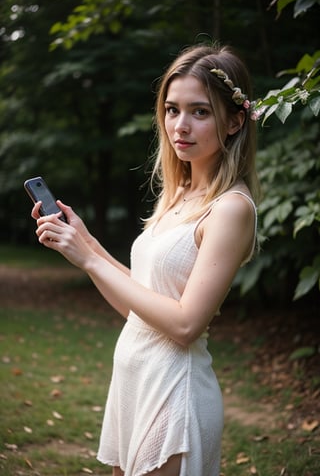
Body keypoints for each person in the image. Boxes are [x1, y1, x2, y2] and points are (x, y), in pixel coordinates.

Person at [31, 43, 260, 476]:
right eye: (172, 110)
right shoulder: (179, 195)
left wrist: (92, 261)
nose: (181, 126)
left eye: (200, 112)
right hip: (136, 383)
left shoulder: (231, 209)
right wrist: (86, 246)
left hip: (175, 391)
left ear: (234, 121)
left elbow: (185, 325)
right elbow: (141, 307)